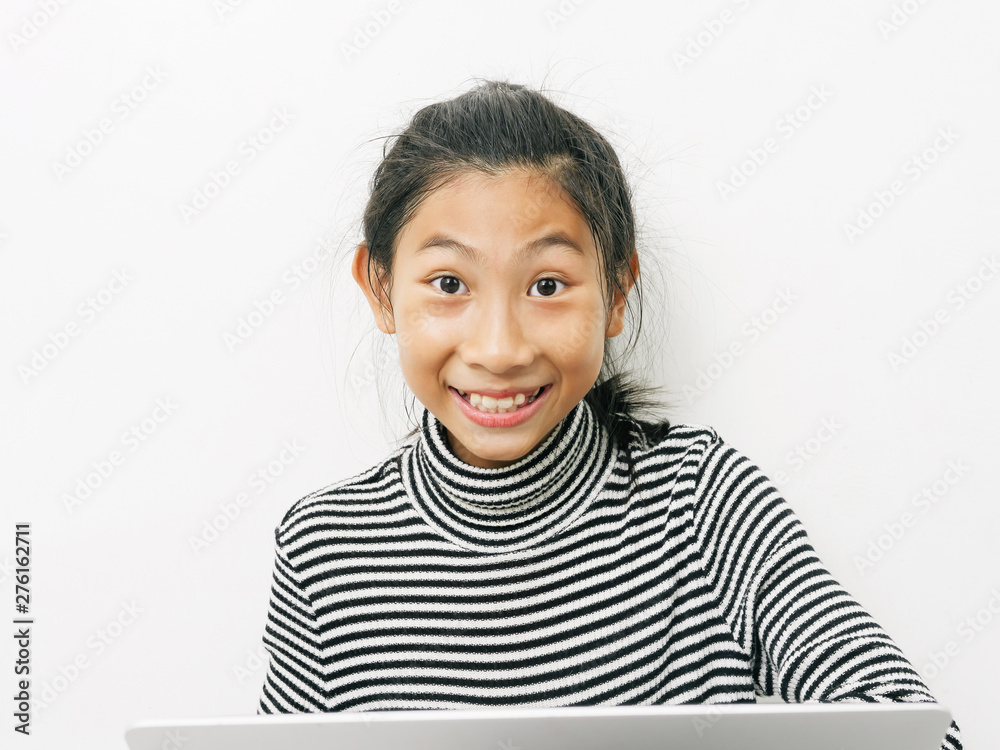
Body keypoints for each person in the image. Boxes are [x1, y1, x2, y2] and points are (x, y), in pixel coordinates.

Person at [255, 79, 961, 750]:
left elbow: (918, 733)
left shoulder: (701, 501)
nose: (499, 349)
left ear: (616, 292)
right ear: (380, 290)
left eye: (547, 284)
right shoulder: (324, 550)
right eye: (449, 284)